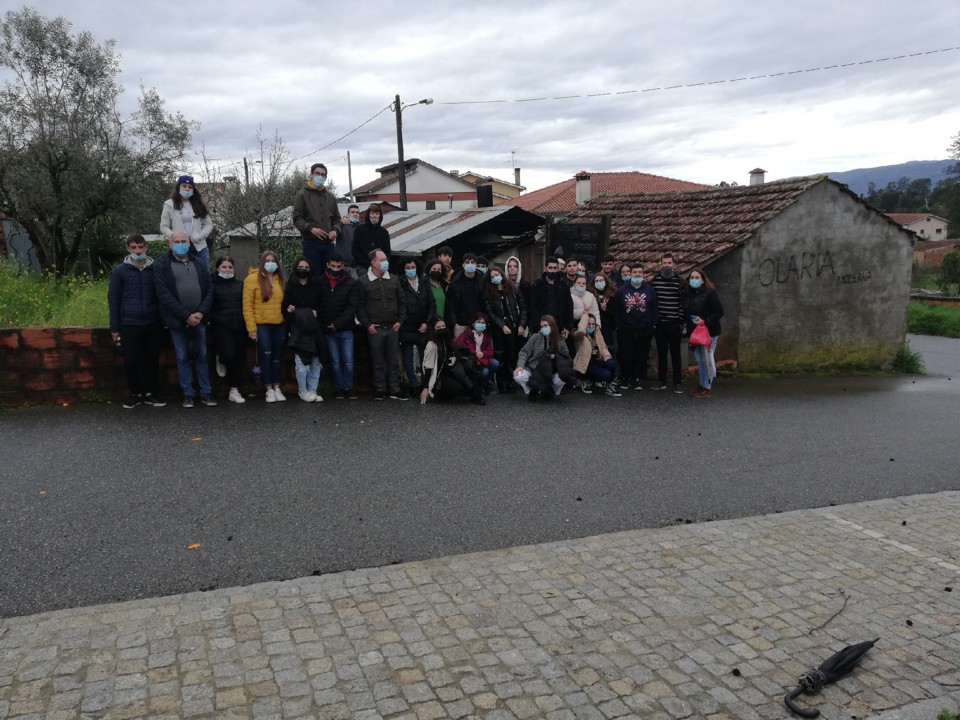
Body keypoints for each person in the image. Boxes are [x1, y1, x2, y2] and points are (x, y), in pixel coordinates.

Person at [153, 231, 216, 408]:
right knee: (182, 358)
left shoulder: (199, 262)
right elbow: (164, 294)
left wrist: (200, 313)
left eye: (183, 241)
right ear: (170, 244)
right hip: (177, 321)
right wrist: (186, 316)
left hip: (199, 319)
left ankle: (206, 392)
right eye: (177, 241)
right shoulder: (161, 265)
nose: (180, 244)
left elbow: (209, 289)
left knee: (202, 356)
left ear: (189, 244)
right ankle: (188, 394)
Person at [107, 234, 165, 409]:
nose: (138, 251)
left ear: (146, 247)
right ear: (128, 248)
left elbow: (162, 295)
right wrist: (114, 327)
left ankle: (151, 393)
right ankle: (135, 393)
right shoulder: (120, 271)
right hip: (129, 322)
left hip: (152, 322)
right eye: (134, 247)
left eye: (140, 247)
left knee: (152, 359)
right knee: (131, 360)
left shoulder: (155, 269)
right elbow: (113, 300)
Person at [358, 250, 407, 400]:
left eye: (386, 259)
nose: (386, 262)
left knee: (393, 361)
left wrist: (400, 321)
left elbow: (402, 302)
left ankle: (395, 389)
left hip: (393, 327)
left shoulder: (393, 279)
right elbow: (360, 306)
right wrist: (367, 325)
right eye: (382, 259)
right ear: (373, 263)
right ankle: (380, 389)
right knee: (377, 360)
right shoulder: (363, 281)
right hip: (375, 329)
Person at [243, 250, 287, 402]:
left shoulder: (280, 279)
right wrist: (251, 329)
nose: (270, 263)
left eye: (273, 260)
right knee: (266, 356)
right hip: (262, 325)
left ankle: (277, 386)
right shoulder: (251, 280)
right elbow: (247, 306)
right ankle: (268, 389)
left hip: (279, 324)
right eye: (267, 260)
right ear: (262, 262)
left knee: (277, 357)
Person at [317, 253, 361, 400]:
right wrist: (327, 323)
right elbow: (319, 304)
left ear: (343, 266)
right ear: (328, 265)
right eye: (333, 266)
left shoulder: (351, 283)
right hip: (328, 328)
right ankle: (339, 388)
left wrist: (337, 324)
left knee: (348, 361)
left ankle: (349, 387)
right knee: (335, 361)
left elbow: (352, 307)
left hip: (345, 328)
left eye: (338, 266)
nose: (336, 269)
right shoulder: (320, 281)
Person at [283, 257, 324, 402]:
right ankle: (303, 390)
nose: (303, 270)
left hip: (314, 328)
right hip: (298, 329)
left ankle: (313, 390)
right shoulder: (290, 287)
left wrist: (308, 312)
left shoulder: (316, 285)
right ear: (296, 268)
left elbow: (321, 305)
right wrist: (304, 313)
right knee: (301, 364)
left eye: (306, 267)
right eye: (300, 267)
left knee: (315, 361)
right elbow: (286, 310)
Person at [418, 316, 484, 405]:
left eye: (443, 326)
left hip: (449, 369)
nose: (442, 329)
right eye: (438, 327)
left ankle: (474, 393)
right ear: (433, 329)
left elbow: (454, 351)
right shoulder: (431, 345)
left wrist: (454, 357)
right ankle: (440, 394)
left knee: (469, 367)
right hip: (438, 376)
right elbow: (428, 367)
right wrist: (425, 388)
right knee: (457, 388)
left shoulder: (446, 339)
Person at [209, 255, 248, 404]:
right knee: (229, 355)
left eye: (230, 267)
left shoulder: (240, 284)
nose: (227, 270)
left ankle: (234, 390)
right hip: (221, 326)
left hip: (239, 326)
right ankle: (220, 358)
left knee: (239, 358)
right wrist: (218, 320)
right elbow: (208, 306)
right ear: (218, 268)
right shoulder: (211, 284)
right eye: (224, 267)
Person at [292, 163, 340, 277]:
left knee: (330, 276)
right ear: (311, 174)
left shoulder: (330, 197)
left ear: (326, 177)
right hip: (311, 243)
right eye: (317, 173)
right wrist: (311, 229)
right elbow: (297, 218)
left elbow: (337, 219)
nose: (320, 176)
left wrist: (335, 230)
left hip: (328, 244)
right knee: (313, 276)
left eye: (323, 175)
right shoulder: (301, 194)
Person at [484, 265, 527, 392]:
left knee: (512, 354)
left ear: (502, 275)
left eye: (497, 275)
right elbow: (490, 313)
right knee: (500, 355)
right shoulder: (489, 292)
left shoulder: (512, 289)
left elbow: (523, 308)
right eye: (492, 276)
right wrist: (501, 325)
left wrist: (522, 324)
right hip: (499, 328)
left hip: (513, 325)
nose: (495, 277)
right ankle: (502, 383)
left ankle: (512, 381)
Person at [615, 262, 658, 391]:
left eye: (640, 272)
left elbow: (654, 308)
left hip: (645, 329)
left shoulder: (649, 289)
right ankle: (626, 378)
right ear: (630, 274)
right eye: (635, 272)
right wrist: (619, 325)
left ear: (643, 274)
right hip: (626, 329)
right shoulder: (622, 290)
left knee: (641, 355)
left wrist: (653, 325)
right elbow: (618, 309)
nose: (637, 274)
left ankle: (636, 379)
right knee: (625, 355)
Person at [513, 315, 575, 401]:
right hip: (534, 369)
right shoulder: (535, 337)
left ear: (552, 326)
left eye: (545, 325)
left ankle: (550, 390)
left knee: (564, 376)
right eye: (542, 326)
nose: (543, 328)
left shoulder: (561, 342)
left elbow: (566, 359)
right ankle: (532, 390)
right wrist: (520, 366)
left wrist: (556, 357)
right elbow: (524, 351)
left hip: (551, 372)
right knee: (518, 376)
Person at [684, 267, 724, 398]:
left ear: (703, 280)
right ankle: (701, 385)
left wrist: (705, 321)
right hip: (695, 333)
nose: (694, 280)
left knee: (707, 360)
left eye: (697, 278)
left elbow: (719, 312)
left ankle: (707, 387)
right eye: (692, 278)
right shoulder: (689, 294)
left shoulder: (709, 293)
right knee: (700, 360)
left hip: (709, 332)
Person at [650, 252, 687, 394]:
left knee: (675, 353)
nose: (667, 266)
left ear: (674, 264)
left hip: (674, 323)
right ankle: (662, 381)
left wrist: (680, 321)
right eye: (664, 263)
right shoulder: (655, 281)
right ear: (660, 264)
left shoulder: (680, 281)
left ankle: (677, 382)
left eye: (669, 263)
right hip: (660, 324)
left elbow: (682, 303)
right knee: (662, 353)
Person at [399, 258, 436, 396]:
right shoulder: (401, 283)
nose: (410, 269)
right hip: (407, 327)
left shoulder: (424, 282)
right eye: (408, 267)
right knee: (408, 359)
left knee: (424, 358)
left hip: (422, 327)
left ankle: (424, 384)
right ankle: (413, 384)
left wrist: (426, 322)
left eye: (413, 267)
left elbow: (431, 303)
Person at [160, 175, 213, 269]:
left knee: (203, 272)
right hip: (180, 246)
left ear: (193, 189)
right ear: (178, 187)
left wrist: (199, 236)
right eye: (184, 186)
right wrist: (175, 237)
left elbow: (208, 224)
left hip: (199, 246)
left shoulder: (198, 204)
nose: (187, 189)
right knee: (181, 271)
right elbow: (164, 226)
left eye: (190, 187)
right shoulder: (169, 204)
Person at [573, 313, 621, 396]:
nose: (591, 326)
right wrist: (585, 314)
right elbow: (580, 330)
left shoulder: (597, 332)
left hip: (597, 361)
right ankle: (585, 379)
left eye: (593, 324)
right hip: (586, 364)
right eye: (588, 324)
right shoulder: (579, 335)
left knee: (612, 363)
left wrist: (606, 355)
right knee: (606, 374)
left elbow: (603, 346)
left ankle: (609, 386)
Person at [453, 312, 498, 398]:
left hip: (483, 359)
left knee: (495, 363)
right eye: (478, 322)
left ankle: (483, 384)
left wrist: (483, 353)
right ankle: (479, 386)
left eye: (483, 323)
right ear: (473, 324)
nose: (481, 324)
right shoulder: (465, 335)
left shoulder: (486, 337)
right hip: (472, 361)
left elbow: (491, 351)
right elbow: (458, 347)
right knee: (485, 372)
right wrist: (475, 353)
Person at [528, 256, 574, 339]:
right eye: (550, 268)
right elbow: (533, 308)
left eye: (555, 268)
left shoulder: (564, 285)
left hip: (559, 327)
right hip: (542, 326)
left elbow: (569, 307)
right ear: (545, 268)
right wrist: (537, 325)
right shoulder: (537, 286)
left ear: (558, 269)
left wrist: (567, 327)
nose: (553, 270)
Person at [447, 252, 484, 338]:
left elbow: (486, 301)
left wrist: (484, 320)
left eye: (472, 262)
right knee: (460, 345)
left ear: (476, 265)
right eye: (467, 262)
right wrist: (454, 322)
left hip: (478, 323)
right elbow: (450, 303)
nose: (470, 264)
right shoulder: (455, 282)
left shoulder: (482, 280)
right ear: (463, 265)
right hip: (460, 324)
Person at [352, 203, 391, 271]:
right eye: (372, 213)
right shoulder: (360, 229)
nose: (374, 216)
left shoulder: (384, 232)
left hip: (379, 266)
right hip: (362, 266)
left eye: (377, 214)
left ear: (380, 215)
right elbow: (355, 250)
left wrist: (380, 263)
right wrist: (368, 263)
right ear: (368, 214)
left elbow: (387, 251)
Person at [337, 204, 361, 278]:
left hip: (357, 265)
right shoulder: (342, 227)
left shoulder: (361, 228)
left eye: (357, 212)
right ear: (348, 214)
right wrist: (341, 223)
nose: (355, 214)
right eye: (352, 212)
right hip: (343, 265)